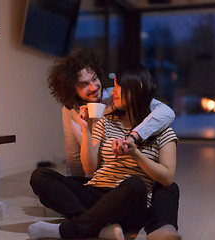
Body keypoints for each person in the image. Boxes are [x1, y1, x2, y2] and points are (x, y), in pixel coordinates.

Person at [28, 64, 180, 239]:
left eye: (117, 86)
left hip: (130, 200)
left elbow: (167, 178)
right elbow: (90, 168)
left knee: (136, 184)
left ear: (136, 88)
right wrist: (87, 128)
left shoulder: (162, 129)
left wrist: (136, 155)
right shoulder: (104, 121)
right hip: (97, 192)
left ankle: (70, 230)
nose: (112, 92)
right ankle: (97, 227)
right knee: (40, 176)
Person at [46, 48, 176, 181]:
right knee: (43, 177)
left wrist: (133, 136)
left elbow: (166, 112)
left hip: (124, 176)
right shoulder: (70, 110)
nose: (94, 87)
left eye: (95, 79)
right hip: (97, 177)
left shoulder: (116, 98)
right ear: (72, 90)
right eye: (84, 84)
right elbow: (73, 155)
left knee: (165, 190)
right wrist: (75, 186)